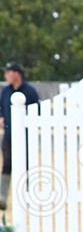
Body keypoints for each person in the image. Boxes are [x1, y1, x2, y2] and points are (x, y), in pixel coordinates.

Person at [0, 62, 40, 210]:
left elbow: (37, 111)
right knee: (7, 165)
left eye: (8, 72)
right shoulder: (5, 91)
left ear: (16, 74)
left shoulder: (30, 91)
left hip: (27, 136)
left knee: (28, 164)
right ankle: (2, 197)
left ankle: (28, 195)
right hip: (8, 135)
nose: (5, 75)